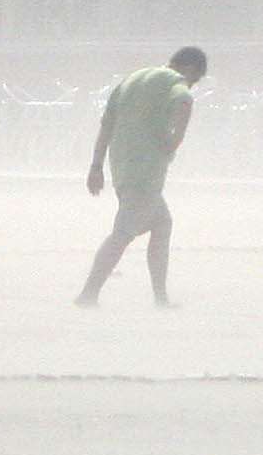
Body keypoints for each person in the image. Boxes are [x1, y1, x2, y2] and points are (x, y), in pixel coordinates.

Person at [81, 46, 208, 307]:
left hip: (122, 165)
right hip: (146, 170)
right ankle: (88, 294)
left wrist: (96, 166)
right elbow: (184, 100)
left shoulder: (133, 78)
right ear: (191, 69)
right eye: (195, 80)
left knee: (162, 224)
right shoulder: (176, 82)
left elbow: (107, 124)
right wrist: (175, 140)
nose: (192, 85)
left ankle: (160, 298)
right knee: (123, 233)